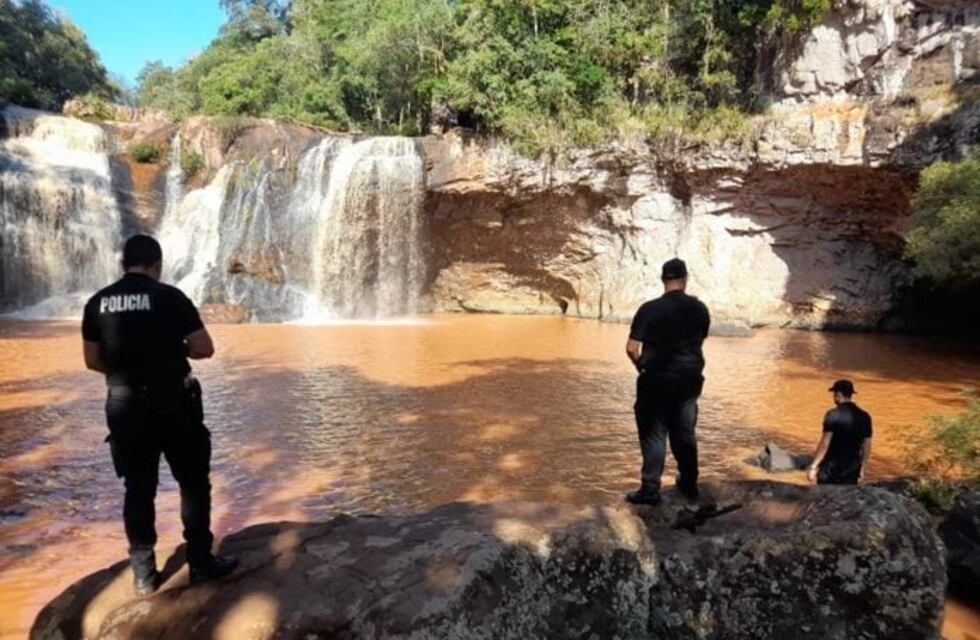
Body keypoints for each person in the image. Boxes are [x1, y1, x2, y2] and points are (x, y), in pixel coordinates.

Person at [81, 235, 237, 596]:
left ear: (123, 264)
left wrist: (128, 365)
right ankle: (200, 562)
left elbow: (91, 361)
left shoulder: (97, 303)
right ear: (157, 266)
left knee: (138, 489)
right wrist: (169, 350)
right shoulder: (170, 297)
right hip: (174, 404)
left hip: (124, 406)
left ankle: (144, 576)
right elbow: (203, 347)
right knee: (193, 484)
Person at [625, 258, 710, 505]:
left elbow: (631, 348)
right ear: (684, 279)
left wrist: (641, 365)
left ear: (663, 279)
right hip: (689, 380)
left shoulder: (649, 309)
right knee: (684, 432)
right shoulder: (700, 309)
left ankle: (650, 489)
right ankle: (689, 484)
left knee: (654, 434)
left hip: (656, 379)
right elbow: (698, 342)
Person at [807, 379, 873, 485]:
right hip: (852, 468)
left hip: (831, 468)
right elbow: (867, 445)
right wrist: (863, 468)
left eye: (834, 394)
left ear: (838, 394)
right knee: (845, 500)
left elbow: (825, 443)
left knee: (825, 499)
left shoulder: (832, 414)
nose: (833, 397)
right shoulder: (865, 416)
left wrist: (814, 466)